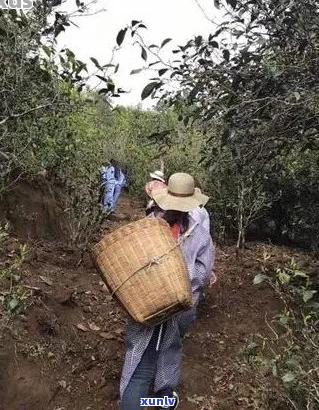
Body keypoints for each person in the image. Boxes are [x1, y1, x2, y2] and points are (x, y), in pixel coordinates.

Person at [119, 172, 215, 410]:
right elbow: (202, 275)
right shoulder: (200, 234)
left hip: (146, 302)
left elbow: (130, 264)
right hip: (182, 304)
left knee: (140, 358)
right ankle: (163, 399)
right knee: (170, 348)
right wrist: (184, 288)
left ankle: (138, 402)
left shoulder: (147, 227)